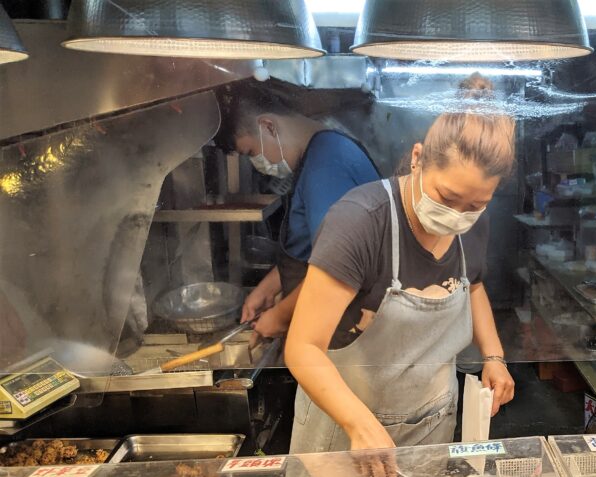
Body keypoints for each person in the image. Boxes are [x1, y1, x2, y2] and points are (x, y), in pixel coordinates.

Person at [284, 75, 516, 454]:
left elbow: (472, 286)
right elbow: (302, 347)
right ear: (417, 158)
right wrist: (358, 425)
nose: (458, 215)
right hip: (344, 431)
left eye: (475, 205)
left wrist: (494, 355)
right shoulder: (360, 221)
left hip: (429, 428)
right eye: (447, 197)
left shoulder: (472, 224)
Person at [216, 83, 379, 343]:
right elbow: (313, 251)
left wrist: (279, 316)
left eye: (251, 152)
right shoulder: (324, 151)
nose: (257, 163)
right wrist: (270, 286)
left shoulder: (327, 167)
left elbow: (335, 270)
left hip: (346, 329)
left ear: (268, 126)